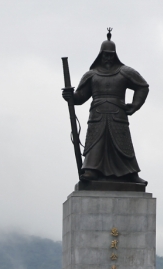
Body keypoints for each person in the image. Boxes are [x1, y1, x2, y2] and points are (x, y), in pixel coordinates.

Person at [61, 30, 150, 184]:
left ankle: (129, 174)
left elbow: (143, 86)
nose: (108, 58)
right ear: (100, 55)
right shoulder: (92, 74)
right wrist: (71, 97)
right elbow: (81, 97)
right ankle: (91, 170)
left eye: (111, 54)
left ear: (115, 55)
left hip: (118, 115)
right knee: (96, 142)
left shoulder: (125, 72)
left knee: (123, 144)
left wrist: (135, 106)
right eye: (105, 54)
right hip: (97, 114)